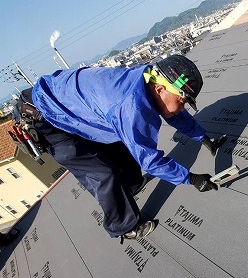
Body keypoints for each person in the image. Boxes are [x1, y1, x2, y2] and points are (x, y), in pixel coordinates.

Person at [19, 55, 226, 242]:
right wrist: (191, 178)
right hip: (43, 117)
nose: (182, 107)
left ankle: (132, 184)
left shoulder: (150, 78)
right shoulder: (130, 107)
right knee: (101, 172)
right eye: (182, 101)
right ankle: (123, 226)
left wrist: (204, 138)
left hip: (70, 104)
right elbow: (150, 160)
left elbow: (174, 111)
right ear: (160, 89)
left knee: (119, 144)